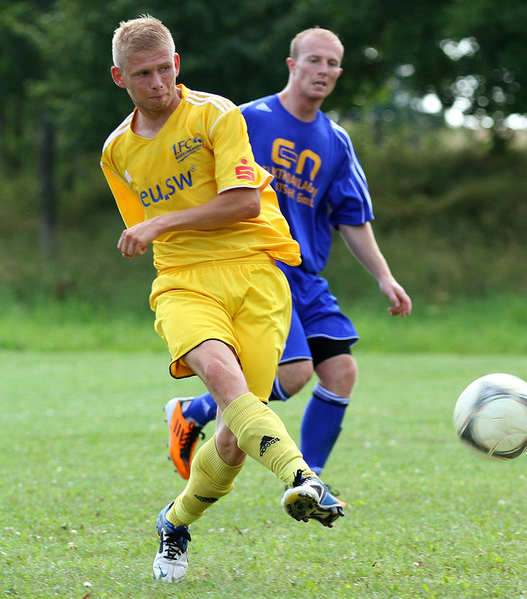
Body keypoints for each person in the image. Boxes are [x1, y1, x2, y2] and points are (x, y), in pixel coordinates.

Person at [99, 15, 344, 584]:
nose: (158, 82)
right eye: (143, 74)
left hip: (256, 275)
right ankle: (303, 478)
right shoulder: (116, 152)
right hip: (184, 281)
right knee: (222, 377)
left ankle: (176, 520)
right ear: (120, 78)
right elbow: (152, 232)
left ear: (177, 64)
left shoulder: (216, 114)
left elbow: (242, 204)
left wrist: (160, 221)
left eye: (166, 68)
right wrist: (159, 231)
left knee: (234, 441)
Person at [166, 27, 412, 485]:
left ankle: (311, 480)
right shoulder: (246, 119)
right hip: (258, 267)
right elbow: (198, 180)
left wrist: (384, 276)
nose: (324, 71)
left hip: (305, 274)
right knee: (296, 373)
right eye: (314, 60)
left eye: (333, 63)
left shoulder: (335, 141)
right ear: (292, 65)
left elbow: (352, 217)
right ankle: (197, 411)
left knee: (340, 371)